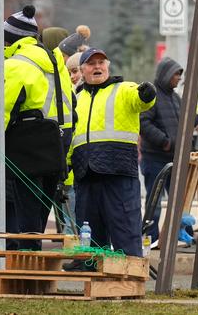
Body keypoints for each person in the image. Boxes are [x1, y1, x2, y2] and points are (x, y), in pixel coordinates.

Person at [63, 47, 155, 265]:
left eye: (101, 63)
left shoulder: (123, 89)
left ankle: (129, 274)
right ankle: (88, 267)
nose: (97, 67)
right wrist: (64, 164)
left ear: (108, 66)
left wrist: (146, 94)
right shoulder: (76, 97)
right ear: (82, 70)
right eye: (92, 64)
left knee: (124, 227)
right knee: (89, 230)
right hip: (86, 172)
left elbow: (140, 100)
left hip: (118, 171)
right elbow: (71, 134)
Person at [2, 5, 74, 246]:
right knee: (41, 211)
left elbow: (2, 110)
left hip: (27, 145)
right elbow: (67, 103)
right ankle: (35, 267)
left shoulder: (15, 64)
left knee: (25, 215)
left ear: (11, 38)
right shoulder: (55, 61)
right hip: (56, 143)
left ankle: (27, 269)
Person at [139, 56, 182, 248]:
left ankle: (175, 236)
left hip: (174, 159)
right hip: (155, 159)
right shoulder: (152, 97)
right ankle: (151, 237)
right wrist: (164, 142)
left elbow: (187, 118)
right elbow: (143, 123)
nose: (179, 78)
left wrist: (197, 124)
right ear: (166, 75)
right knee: (154, 201)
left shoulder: (176, 97)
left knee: (177, 201)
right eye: (176, 74)